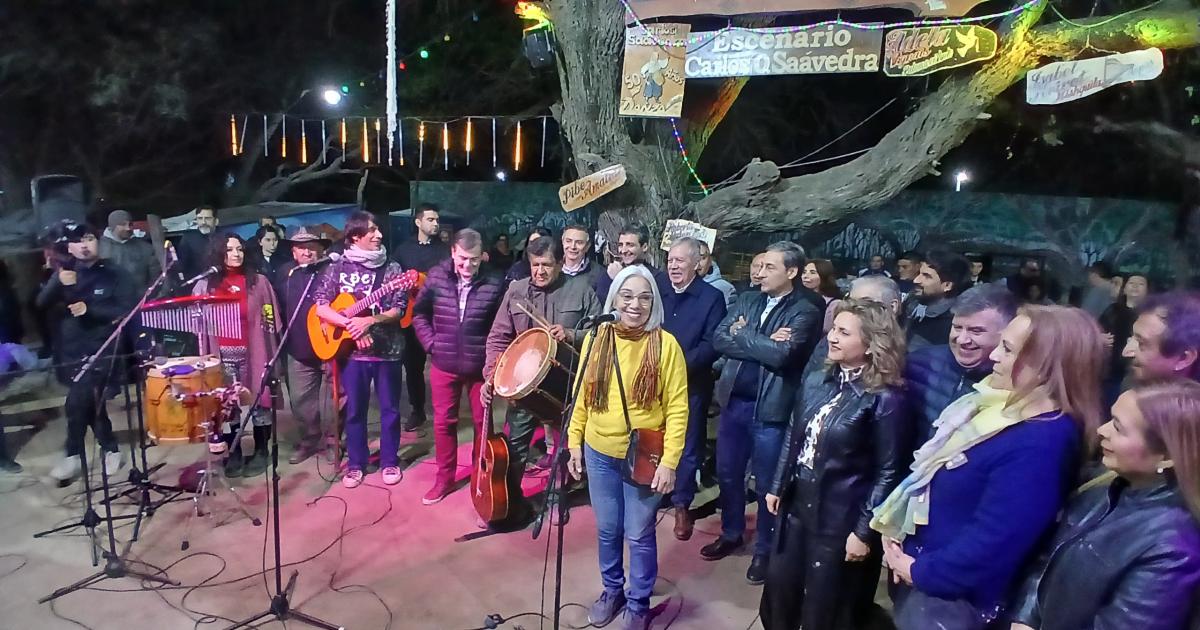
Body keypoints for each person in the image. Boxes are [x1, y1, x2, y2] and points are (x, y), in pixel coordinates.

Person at [872, 305, 1106, 630]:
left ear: (1045, 364)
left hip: (954, 600)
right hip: (931, 582)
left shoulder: (1042, 439)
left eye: (1007, 349)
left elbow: (998, 537)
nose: (994, 356)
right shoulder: (1002, 411)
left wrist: (922, 572)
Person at [761, 299, 913, 630]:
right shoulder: (819, 379)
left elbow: (888, 473)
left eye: (844, 333)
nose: (832, 337)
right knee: (779, 591)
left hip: (840, 515)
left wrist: (863, 531)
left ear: (872, 343)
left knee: (825, 606)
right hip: (797, 502)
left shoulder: (887, 398)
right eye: (833, 330)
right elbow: (793, 432)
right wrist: (777, 484)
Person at [1008, 380, 1200, 630]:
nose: (1102, 430)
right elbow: (1047, 560)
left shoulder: (1173, 549)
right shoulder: (1103, 485)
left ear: (1166, 457)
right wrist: (1024, 619)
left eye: (1118, 429)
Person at [566, 265, 689, 630]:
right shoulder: (596, 338)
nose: (635, 304)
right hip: (598, 451)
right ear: (614, 299)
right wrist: (574, 442)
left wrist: (670, 462)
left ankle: (638, 602)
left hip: (643, 456)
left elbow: (679, 408)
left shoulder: (666, 346)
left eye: (644, 297)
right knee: (607, 529)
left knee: (638, 533)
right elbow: (582, 397)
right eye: (627, 296)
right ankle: (613, 590)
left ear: (654, 303)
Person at [703, 242, 825, 584]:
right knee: (728, 474)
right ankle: (731, 532)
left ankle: (765, 551)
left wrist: (744, 334)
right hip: (734, 403)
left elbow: (782, 357)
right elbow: (719, 339)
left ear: (791, 272)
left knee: (769, 486)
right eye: (760, 266)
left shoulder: (806, 309)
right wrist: (761, 340)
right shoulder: (747, 299)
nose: (759, 273)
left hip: (771, 410)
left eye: (769, 267)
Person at [483, 236, 600, 491]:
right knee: (514, 449)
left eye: (546, 264)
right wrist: (492, 374)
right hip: (524, 387)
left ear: (560, 263)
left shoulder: (582, 290)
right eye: (535, 265)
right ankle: (511, 502)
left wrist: (571, 334)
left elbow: (600, 334)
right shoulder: (516, 291)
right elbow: (498, 338)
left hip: (567, 388)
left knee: (566, 449)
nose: (540, 271)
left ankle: (560, 495)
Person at [412, 229, 506, 508]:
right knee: (443, 423)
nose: (468, 266)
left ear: (482, 257)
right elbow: (419, 314)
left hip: (480, 369)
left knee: (483, 424)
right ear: (453, 252)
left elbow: (501, 327)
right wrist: (431, 344)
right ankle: (444, 478)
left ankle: (480, 476)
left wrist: (493, 362)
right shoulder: (437, 277)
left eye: (475, 260)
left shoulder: (494, 283)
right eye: (463, 259)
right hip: (444, 364)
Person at [314, 211, 407, 488]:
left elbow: (398, 309)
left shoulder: (392, 269)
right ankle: (356, 464)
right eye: (372, 231)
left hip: (387, 350)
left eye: (377, 230)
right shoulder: (337, 267)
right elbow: (320, 306)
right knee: (355, 410)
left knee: (390, 409)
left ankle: (389, 461)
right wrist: (350, 325)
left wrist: (370, 320)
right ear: (356, 237)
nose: (379, 235)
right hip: (351, 353)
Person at [39, 223, 134, 483]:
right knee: (90, 403)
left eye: (89, 238)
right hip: (70, 351)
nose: (84, 245)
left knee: (76, 401)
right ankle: (111, 448)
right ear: (68, 246)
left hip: (102, 349)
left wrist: (89, 310)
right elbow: (40, 304)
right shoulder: (65, 273)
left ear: (98, 241)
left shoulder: (114, 273)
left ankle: (72, 455)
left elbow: (126, 309)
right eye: (77, 240)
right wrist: (56, 283)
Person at [193, 234, 281, 478]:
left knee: (259, 401)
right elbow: (198, 326)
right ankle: (233, 452)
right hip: (222, 354)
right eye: (229, 249)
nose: (236, 254)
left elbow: (270, 314)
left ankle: (263, 450)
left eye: (239, 249)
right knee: (226, 405)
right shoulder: (205, 285)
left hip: (254, 350)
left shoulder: (258, 282)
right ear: (218, 253)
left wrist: (269, 338)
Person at [659, 238, 727, 541]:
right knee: (652, 438)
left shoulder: (711, 297)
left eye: (680, 260)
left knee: (687, 446)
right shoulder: (658, 289)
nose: (673, 266)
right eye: (670, 260)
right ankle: (653, 492)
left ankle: (681, 503)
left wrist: (676, 368)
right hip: (651, 382)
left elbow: (713, 343)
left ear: (697, 263)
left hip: (690, 383)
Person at [905, 284, 1019, 442]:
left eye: (976, 331)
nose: (962, 339)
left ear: (1006, 332)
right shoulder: (918, 364)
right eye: (957, 327)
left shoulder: (1014, 383)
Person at [275, 227, 337, 465]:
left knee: (335, 400)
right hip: (298, 348)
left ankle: (334, 441)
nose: (307, 252)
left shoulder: (332, 270)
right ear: (293, 251)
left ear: (321, 249)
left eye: (312, 246)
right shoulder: (285, 273)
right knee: (301, 401)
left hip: (330, 345)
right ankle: (310, 440)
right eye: (301, 247)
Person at [393, 202, 450, 432]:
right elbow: (394, 280)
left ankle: (445, 412)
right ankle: (417, 410)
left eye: (437, 220)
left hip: (439, 316)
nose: (435, 224)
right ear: (418, 222)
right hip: (411, 316)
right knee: (413, 366)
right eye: (430, 219)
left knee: (442, 366)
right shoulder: (403, 250)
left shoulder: (445, 251)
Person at [1122, 290, 1200, 384]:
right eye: (1131, 338)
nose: (1126, 352)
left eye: (1141, 344)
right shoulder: (1131, 383)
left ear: (1183, 359)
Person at [903, 249, 971, 352]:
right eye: (919, 273)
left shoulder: (953, 324)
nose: (916, 280)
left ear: (947, 285)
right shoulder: (912, 303)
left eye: (926, 276)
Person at [1098, 273, 1148, 403]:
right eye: (1131, 283)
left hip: (1133, 373)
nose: (1135, 286)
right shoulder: (1112, 310)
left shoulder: (1148, 314)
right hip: (1108, 372)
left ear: (1148, 290)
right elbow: (1096, 331)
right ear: (1124, 288)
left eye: (1141, 284)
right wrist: (1100, 338)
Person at [596, 224, 659, 300]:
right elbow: (602, 304)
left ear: (644, 247)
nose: (623, 250)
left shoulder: (657, 278)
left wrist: (619, 279)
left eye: (630, 245)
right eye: (620, 245)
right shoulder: (609, 273)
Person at [98, 209, 157, 290]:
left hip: (140, 299)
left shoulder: (145, 248)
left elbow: (156, 277)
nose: (128, 228)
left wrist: (150, 296)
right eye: (123, 224)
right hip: (110, 300)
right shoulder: (98, 248)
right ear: (112, 226)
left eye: (130, 224)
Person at [175, 205, 220, 280]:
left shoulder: (225, 236)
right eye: (200, 218)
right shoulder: (188, 238)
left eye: (207, 219)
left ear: (216, 221)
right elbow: (182, 265)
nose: (203, 222)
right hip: (196, 283)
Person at [801, 258, 843, 333]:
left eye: (812, 272)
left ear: (824, 276)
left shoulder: (834, 304)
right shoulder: (798, 298)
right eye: (804, 272)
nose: (805, 276)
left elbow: (827, 330)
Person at [697, 241, 736, 307]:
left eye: (702, 258)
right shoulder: (676, 285)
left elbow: (729, 316)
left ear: (710, 260)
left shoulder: (725, 289)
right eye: (693, 258)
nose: (698, 263)